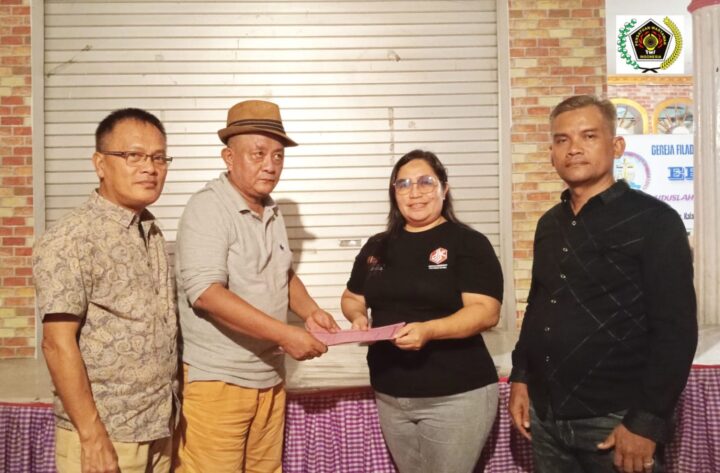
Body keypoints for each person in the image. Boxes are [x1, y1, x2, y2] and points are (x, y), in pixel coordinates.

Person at [508, 95, 698, 473]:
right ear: (551, 154)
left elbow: (676, 331)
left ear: (616, 146)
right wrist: (521, 376)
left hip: (616, 420)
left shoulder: (655, 221)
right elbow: (539, 306)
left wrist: (645, 421)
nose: (574, 148)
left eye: (589, 136)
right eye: (562, 139)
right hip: (547, 417)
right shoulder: (550, 225)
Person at [174, 99, 339, 473]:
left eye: (279, 156)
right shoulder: (208, 208)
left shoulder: (271, 209)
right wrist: (285, 334)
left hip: (269, 376)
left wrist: (311, 312)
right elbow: (206, 294)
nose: (271, 165)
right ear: (228, 157)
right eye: (259, 153)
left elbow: (282, 272)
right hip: (219, 382)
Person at [341, 149, 503, 473]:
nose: (414, 192)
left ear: (445, 188)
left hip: (455, 394)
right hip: (391, 393)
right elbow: (352, 297)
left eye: (425, 182)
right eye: (403, 184)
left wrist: (429, 330)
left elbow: (486, 311)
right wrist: (357, 317)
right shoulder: (377, 245)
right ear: (394, 193)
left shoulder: (468, 243)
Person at [33, 108, 177, 473]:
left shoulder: (150, 230)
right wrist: (92, 434)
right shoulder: (72, 238)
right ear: (100, 164)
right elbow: (56, 344)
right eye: (134, 156)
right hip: (106, 437)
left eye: (159, 158)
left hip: (158, 427)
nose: (150, 168)